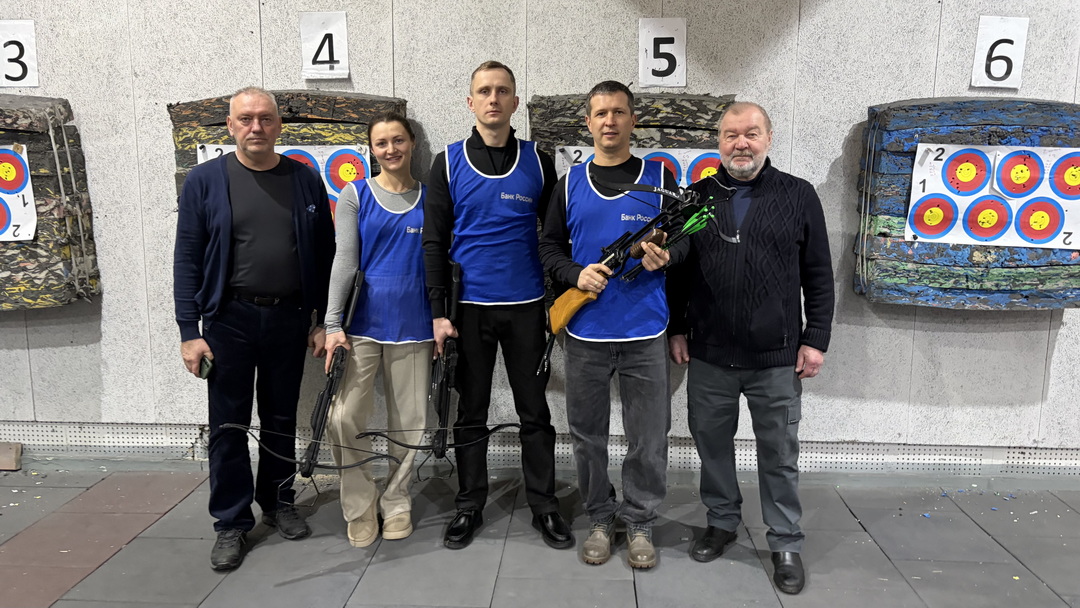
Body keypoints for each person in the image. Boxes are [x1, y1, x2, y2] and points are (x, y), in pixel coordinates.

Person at [666, 101, 834, 594]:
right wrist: (678, 327)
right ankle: (722, 522)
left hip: (775, 358)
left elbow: (819, 274)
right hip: (710, 355)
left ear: (768, 138)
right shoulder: (697, 198)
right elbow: (678, 272)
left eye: (751, 133)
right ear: (718, 142)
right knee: (711, 446)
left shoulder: (798, 195)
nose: (741, 143)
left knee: (778, 453)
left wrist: (815, 339)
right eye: (731, 135)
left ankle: (785, 540)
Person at [173, 87, 335, 571]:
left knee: (281, 417)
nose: (256, 127)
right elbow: (187, 258)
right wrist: (188, 330)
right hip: (228, 320)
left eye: (265, 118)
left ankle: (279, 501)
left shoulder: (304, 179)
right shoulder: (205, 181)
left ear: (279, 125)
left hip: (288, 318)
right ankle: (231, 521)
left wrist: (322, 320)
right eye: (245, 119)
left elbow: (324, 255)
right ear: (230, 126)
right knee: (229, 424)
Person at [422, 60, 572, 551]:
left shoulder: (538, 162)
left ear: (514, 102)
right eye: (484, 91)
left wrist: (564, 297)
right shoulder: (447, 162)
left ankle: (544, 505)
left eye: (502, 91)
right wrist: (438, 312)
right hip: (468, 310)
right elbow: (433, 242)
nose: (493, 98)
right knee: (471, 412)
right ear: (471, 102)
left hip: (527, 307)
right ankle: (469, 504)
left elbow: (556, 236)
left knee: (535, 412)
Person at [538, 81, 676, 569]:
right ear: (588, 123)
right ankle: (600, 516)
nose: (610, 121)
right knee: (587, 436)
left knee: (649, 438)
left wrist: (667, 255)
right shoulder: (569, 184)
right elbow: (548, 247)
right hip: (585, 334)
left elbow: (686, 240)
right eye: (601, 113)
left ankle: (639, 520)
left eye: (619, 112)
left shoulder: (660, 178)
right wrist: (576, 274)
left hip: (645, 331)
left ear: (633, 120)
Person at [323, 112, 431, 548]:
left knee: (410, 424)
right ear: (371, 149)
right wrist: (332, 324)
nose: (390, 149)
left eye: (398, 140)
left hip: (415, 326)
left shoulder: (431, 197)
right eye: (382, 143)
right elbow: (345, 260)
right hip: (362, 327)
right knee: (343, 417)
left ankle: (397, 500)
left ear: (412, 144)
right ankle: (360, 504)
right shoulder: (356, 194)